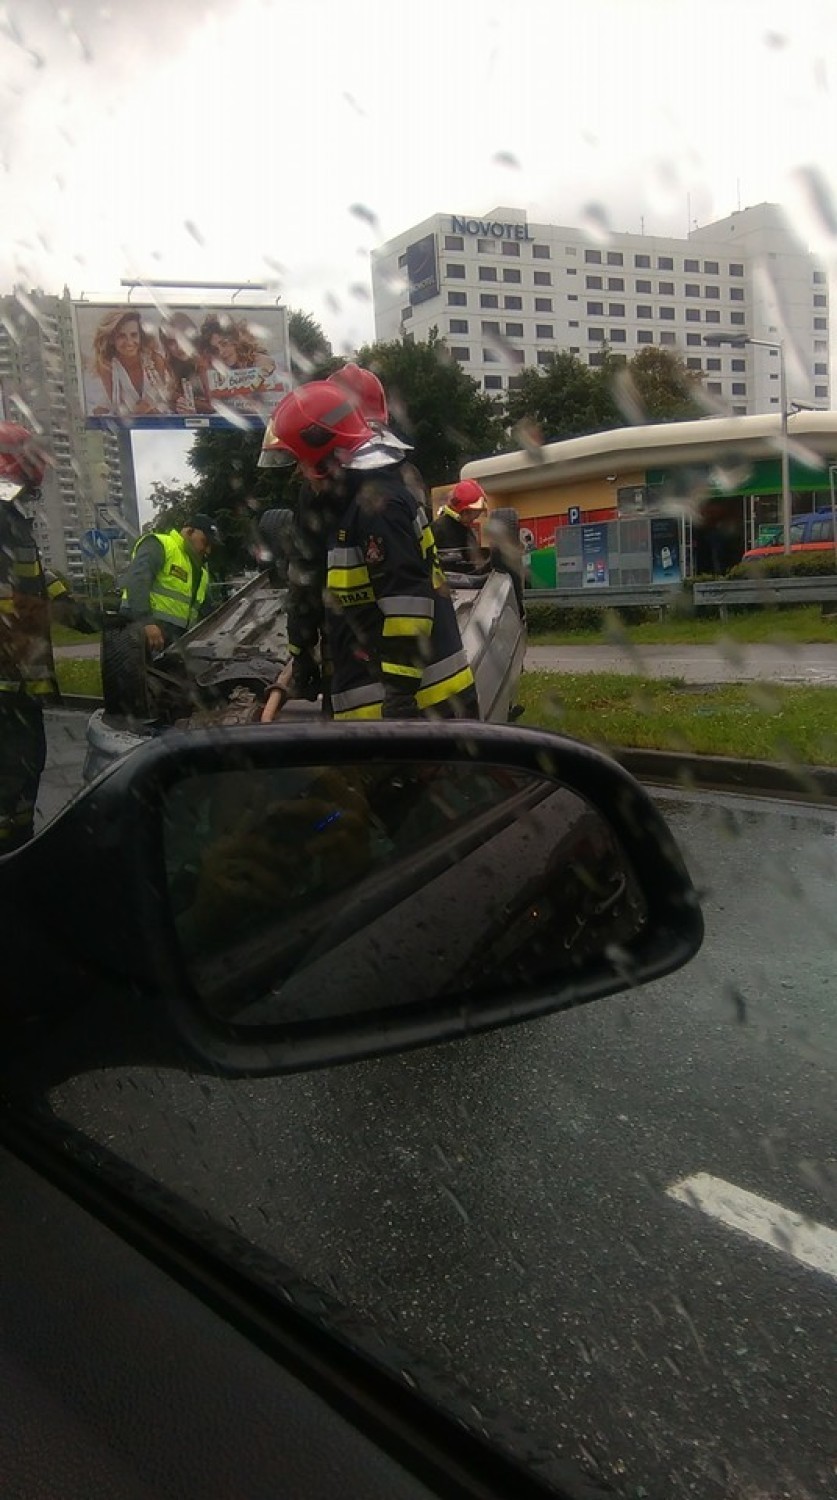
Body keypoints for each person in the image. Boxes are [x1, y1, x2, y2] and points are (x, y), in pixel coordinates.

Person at [259, 382, 478, 722]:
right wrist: (301, 656)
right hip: (375, 708)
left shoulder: (380, 507)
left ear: (325, 457)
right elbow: (317, 591)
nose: (299, 473)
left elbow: (407, 603)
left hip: (426, 708)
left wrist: (400, 694)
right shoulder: (344, 507)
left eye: (300, 462)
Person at [0, 422, 100, 851]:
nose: (29, 494)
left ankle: (19, 849)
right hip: (6, 684)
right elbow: (17, 602)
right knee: (9, 784)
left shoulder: (13, 521)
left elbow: (34, 581)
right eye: (25, 483)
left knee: (24, 776)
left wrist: (80, 610)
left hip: (19, 685)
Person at [119, 514, 218, 653]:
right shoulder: (160, 544)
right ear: (190, 531)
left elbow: (207, 611)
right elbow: (137, 581)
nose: (208, 550)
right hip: (143, 634)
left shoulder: (201, 573)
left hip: (175, 642)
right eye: (205, 542)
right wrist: (146, 622)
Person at [89, 308, 169, 417]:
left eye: (134, 335)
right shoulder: (107, 366)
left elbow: (165, 397)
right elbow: (119, 408)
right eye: (122, 336)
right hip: (127, 425)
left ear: (140, 336)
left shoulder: (155, 360)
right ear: (112, 339)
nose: (129, 342)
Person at [431, 479, 490, 575]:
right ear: (465, 511)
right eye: (476, 513)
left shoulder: (464, 528)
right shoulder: (441, 529)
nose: (476, 517)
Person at [158, 313, 213, 416]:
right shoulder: (167, 368)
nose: (179, 346)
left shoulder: (207, 363)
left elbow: (214, 406)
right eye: (171, 342)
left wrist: (175, 397)